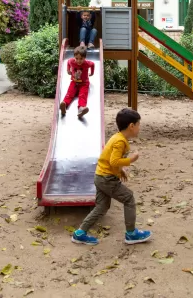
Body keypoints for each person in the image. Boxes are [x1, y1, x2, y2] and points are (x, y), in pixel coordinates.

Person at [72, 108, 152, 246]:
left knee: (102, 206)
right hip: (106, 179)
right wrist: (131, 160)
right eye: (138, 124)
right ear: (131, 126)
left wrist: (120, 171)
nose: (140, 127)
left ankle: (80, 233)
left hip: (100, 176)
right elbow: (114, 161)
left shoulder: (118, 138)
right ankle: (131, 234)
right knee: (128, 198)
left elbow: (110, 160)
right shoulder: (120, 142)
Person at [59, 46, 94, 118]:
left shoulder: (87, 63)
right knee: (70, 93)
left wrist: (92, 73)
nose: (78, 61)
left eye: (81, 59)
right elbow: (68, 62)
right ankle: (64, 105)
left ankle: (81, 108)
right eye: (77, 58)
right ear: (74, 57)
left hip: (84, 83)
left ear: (85, 58)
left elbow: (92, 64)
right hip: (74, 82)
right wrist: (68, 70)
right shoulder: (72, 61)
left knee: (82, 95)